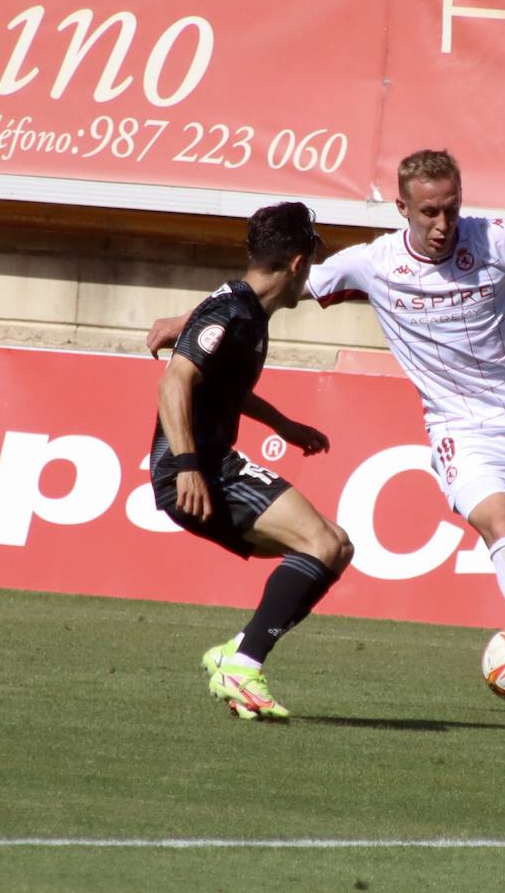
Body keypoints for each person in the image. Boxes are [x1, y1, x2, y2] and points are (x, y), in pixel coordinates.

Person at [149, 150, 505, 726]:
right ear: (402, 208)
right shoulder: (373, 264)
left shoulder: (499, 239)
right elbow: (269, 287)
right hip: (461, 432)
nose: (443, 224)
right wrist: (192, 322)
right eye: (429, 212)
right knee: (501, 527)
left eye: (451, 208)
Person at [151, 201, 354, 722]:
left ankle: (238, 651)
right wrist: (189, 463)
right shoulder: (232, 313)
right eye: (309, 262)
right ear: (296, 264)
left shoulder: (244, 310)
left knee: (336, 547)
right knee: (322, 543)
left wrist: (282, 424)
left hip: (208, 463)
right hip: (197, 471)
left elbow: (222, 384)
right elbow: (174, 382)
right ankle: (244, 664)